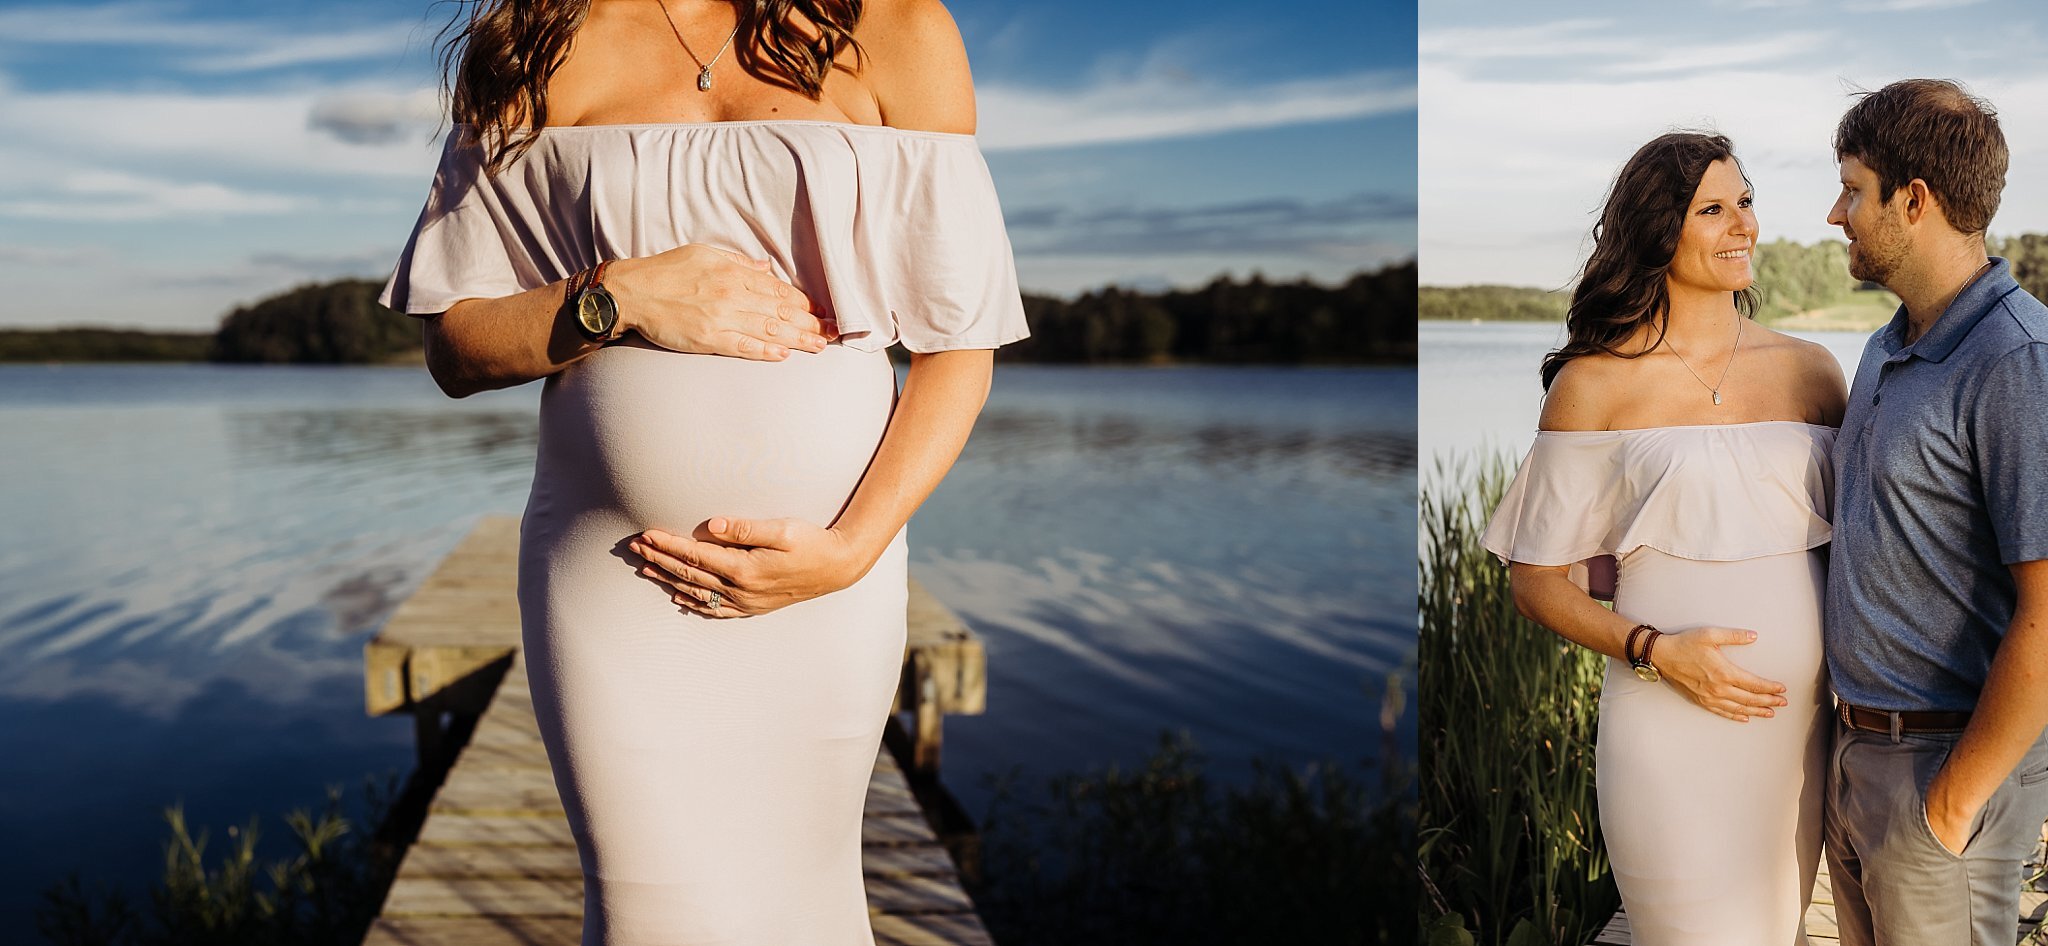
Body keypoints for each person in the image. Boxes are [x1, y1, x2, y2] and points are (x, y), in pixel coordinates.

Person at [375, 0, 1029, 942]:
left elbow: (959, 350)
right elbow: (458, 348)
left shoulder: (897, 25)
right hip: (617, 577)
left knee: (811, 909)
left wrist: (849, 552)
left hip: (830, 581)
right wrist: (618, 297)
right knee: (649, 916)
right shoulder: (533, 42)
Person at [1480, 132, 1849, 943]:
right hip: (1667, 726)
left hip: (1794, 735)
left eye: (1745, 202)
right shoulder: (1595, 384)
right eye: (1713, 210)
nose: (1742, 225)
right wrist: (1655, 648)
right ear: (1658, 232)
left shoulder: (1812, 371)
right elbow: (1535, 582)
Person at [1820, 78, 2048, 946]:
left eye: (1853, 187)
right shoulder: (1887, 343)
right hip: (1855, 759)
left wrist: (1945, 809)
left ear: (1913, 200)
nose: (1837, 212)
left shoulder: (2018, 360)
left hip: (1943, 775)